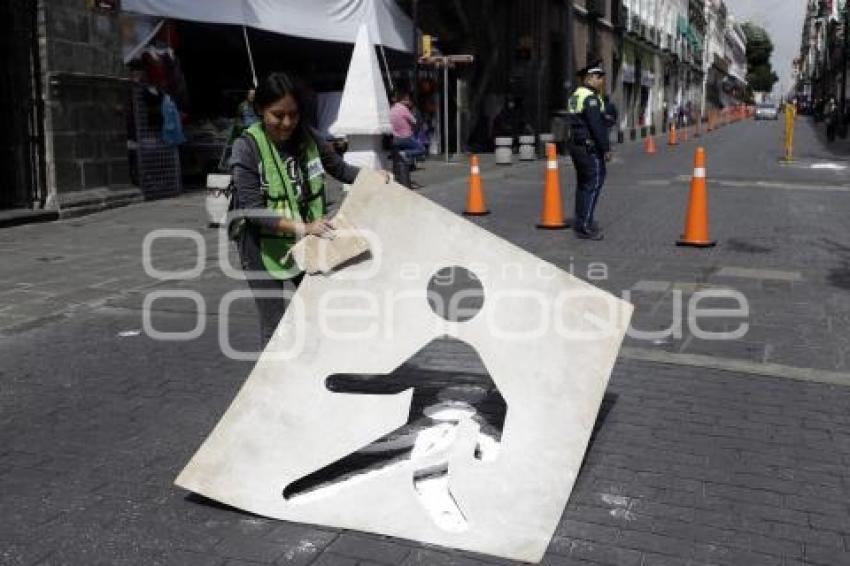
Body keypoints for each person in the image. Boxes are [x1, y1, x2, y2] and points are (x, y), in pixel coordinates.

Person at [229, 72, 391, 347]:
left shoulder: (309, 136)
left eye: (293, 114)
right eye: (277, 115)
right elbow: (252, 211)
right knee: (276, 326)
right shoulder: (247, 147)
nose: (287, 123)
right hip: (262, 246)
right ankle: (277, 382)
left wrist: (374, 176)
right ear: (260, 110)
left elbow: (340, 169)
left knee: (321, 307)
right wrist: (304, 227)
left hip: (307, 240)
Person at [566, 60, 611, 240]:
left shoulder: (576, 94)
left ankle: (580, 220)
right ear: (590, 77)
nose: (601, 81)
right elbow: (596, 126)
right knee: (593, 184)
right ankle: (585, 225)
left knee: (583, 185)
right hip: (589, 147)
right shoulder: (590, 98)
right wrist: (606, 148)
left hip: (577, 145)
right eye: (599, 77)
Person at [390, 90, 427, 162]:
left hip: (395, 138)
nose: (408, 101)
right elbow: (414, 121)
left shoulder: (392, 109)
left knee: (403, 159)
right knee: (422, 149)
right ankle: (405, 153)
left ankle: (403, 157)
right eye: (407, 100)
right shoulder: (404, 109)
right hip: (405, 137)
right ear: (402, 100)